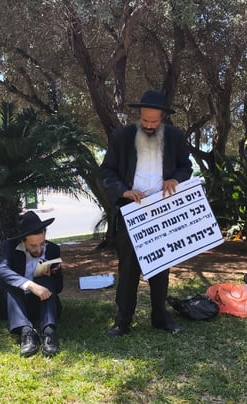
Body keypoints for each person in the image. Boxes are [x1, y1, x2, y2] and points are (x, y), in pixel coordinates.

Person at [99, 90, 193, 337]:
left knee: (161, 267)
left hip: (163, 211)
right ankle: (123, 321)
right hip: (133, 211)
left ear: (163, 118)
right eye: (146, 121)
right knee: (128, 268)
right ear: (139, 115)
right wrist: (124, 192)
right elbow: (107, 171)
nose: (150, 126)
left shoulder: (174, 137)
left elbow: (186, 166)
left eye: (155, 121)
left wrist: (175, 178)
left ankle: (161, 318)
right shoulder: (121, 137)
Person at [0, 211, 63, 357]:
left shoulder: (53, 249)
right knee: (10, 283)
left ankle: (49, 332)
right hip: (12, 305)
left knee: (46, 281)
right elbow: (1, 271)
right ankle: (27, 333)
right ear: (23, 240)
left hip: (39, 305)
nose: (39, 250)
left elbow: (58, 287)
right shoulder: (10, 247)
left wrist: (52, 276)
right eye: (33, 246)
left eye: (41, 244)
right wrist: (30, 285)